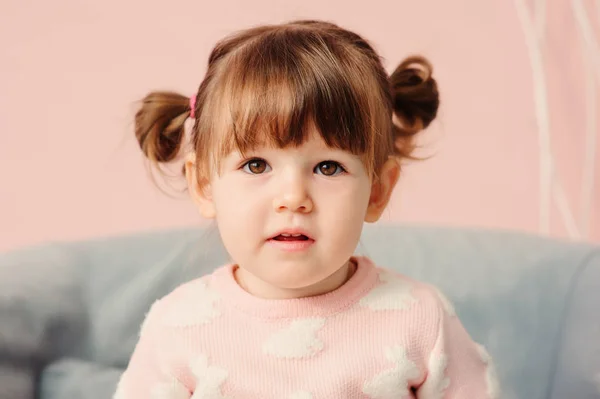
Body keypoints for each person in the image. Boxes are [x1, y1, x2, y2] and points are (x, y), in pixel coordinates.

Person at [114, 19, 500, 399]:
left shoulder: (419, 319)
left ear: (377, 191)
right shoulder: (178, 328)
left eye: (327, 167)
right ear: (204, 185)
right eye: (256, 165)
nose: (293, 197)